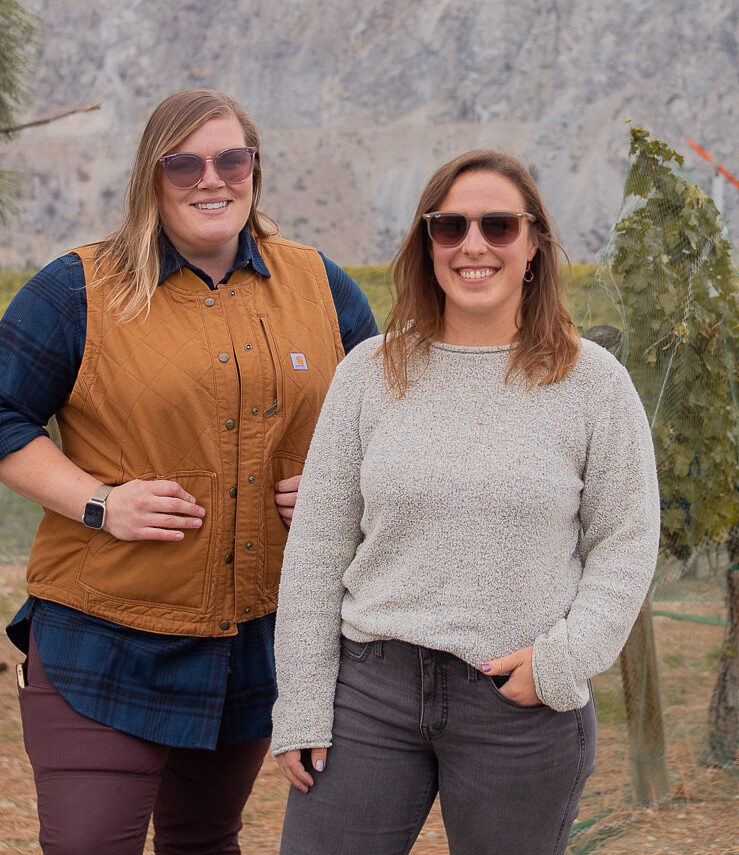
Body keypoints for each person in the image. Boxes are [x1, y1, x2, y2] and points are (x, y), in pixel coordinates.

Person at [0, 88, 377, 855]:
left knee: (203, 841)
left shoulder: (321, 285)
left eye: (231, 160)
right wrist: (99, 502)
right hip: (103, 636)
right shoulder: (77, 288)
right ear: (152, 176)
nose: (211, 179)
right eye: (184, 164)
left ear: (254, 169)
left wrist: (338, 486)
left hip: (251, 637)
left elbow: (382, 422)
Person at [270, 150, 660, 855]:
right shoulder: (367, 374)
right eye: (450, 227)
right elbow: (319, 547)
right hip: (370, 694)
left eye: (498, 225)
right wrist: (300, 701)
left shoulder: (593, 384)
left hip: (519, 702)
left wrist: (563, 662)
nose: (473, 244)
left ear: (534, 245)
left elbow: (625, 541)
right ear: (428, 245)